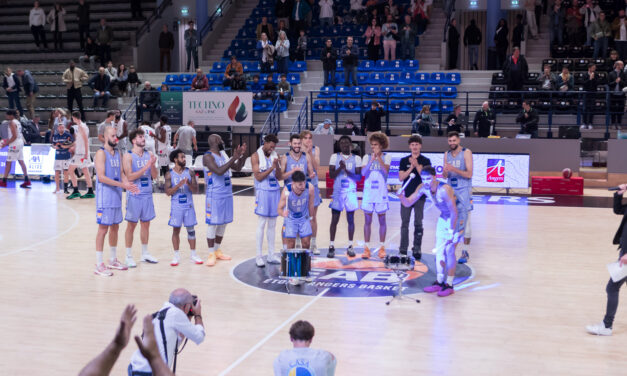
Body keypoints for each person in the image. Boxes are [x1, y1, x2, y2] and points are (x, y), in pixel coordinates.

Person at [399, 166, 462, 297]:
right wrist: (401, 196)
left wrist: (451, 231)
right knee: (439, 251)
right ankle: (439, 282)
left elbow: (454, 211)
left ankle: (449, 284)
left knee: (449, 250)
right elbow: (408, 203)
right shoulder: (423, 187)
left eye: (428, 178)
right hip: (444, 216)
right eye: (424, 178)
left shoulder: (444, 189)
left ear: (435, 177)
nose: (426, 181)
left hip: (458, 217)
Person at [93, 126, 138, 276]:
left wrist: (129, 186)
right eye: (113, 136)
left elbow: (121, 174)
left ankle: (112, 259)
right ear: (105, 137)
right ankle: (99, 264)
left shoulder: (118, 153)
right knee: (103, 229)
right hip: (105, 198)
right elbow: (101, 177)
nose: (115, 138)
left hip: (116, 196)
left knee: (115, 227)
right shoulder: (100, 153)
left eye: (116, 136)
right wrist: (122, 185)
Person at [129, 288, 205, 373]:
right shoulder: (176, 314)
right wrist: (198, 314)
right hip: (149, 372)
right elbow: (199, 337)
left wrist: (188, 317)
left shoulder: (160, 314)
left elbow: (173, 345)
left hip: (135, 367)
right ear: (186, 306)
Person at [586, 183, 627, 336]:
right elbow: (618, 210)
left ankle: (606, 326)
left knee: (612, 288)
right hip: (624, 252)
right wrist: (619, 194)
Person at [203, 134, 247, 266]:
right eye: (221, 140)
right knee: (213, 223)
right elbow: (219, 171)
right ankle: (211, 253)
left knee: (223, 223)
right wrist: (234, 157)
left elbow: (237, 168)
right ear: (216, 141)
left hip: (227, 193)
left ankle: (217, 250)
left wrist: (241, 156)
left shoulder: (223, 155)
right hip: (214, 194)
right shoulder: (208, 156)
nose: (223, 142)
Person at [123, 128, 159, 268]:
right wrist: (146, 166)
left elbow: (155, 176)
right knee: (131, 225)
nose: (143, 139)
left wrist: (153, 165)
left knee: (146, 224)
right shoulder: (128, 156)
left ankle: (144, 253)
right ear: (134, 140)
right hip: (134, 194)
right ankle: (128, 256)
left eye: (143, 137)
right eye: (140, 137)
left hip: (147, 194)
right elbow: (130, 176)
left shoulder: (149, 154)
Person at [251, 134, 283, 267]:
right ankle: (258, 256)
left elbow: (279, 177)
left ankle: (271, 254)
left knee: (273, 224)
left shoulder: (275, 156)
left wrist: (277, 166)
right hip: (263, 191)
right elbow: (258, 177)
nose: (272, 148)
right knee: (262, 223)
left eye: (274, 147)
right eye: (271, 146)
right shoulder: (255, 156)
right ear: (265, 143)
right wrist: (271, 167)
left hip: (274, 191)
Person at [165, 149, 202, 266]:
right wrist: (178, 185)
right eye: (182, 157)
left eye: (184, 157)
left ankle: (193, 255)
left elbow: (196, 190)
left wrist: (188, 184)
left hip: (189, 206)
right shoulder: (169, 174)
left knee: (191, 230)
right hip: (176, 206)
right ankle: (176, 256)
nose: (184, 159)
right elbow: (168, 192)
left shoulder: (190, 172)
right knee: (176, 230)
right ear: (175, 159)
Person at [398, 135, 431, 260]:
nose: (415, 147)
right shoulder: (404, 160)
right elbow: (401, 178)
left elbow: (425, 178)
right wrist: (411, 167)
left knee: (418, 222)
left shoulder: (426, 160)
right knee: (404, 223)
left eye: (417, 144)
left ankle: (417, 247)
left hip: (420, 196)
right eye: (412, 144)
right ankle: (403, 248)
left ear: (420, 146)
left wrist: (417, 165)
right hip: (406, 196)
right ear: (409, 146)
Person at [443, 131, 473, 264]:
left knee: (466, 222)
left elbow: (469, 174)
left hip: (464, 190)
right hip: (451, 191)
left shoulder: (466, 152)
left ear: (458, 141)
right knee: (451, 222)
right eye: (450, 141)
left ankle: (465, 251)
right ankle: (451, 249)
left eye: (454, 141)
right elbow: (445, 176)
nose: (452, 143)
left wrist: (453, 169)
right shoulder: (446, 154)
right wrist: (445, 171)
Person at [360, 132, 391, 259]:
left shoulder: (387, 157)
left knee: (382, 220)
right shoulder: (366, 157)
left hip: (381, 192)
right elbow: (362, 173)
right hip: (368, 192)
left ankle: (382, 247)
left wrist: (378, 158)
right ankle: (366, 247)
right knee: (367, 220)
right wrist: (371, 159)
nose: (373, 147)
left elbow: (386, 172)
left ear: (382, 145)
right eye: (372, 145)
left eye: (376, 145)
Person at [278, 170, 316, 250]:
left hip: (304, 217)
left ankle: (305, 262)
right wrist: (283, 213)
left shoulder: (310, 188)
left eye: (304, 183)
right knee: (291, 244)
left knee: (306, 243)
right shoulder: (286, 190)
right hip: (291, 218)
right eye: (300, 184)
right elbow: (279, 209)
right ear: (293, 183)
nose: (303, 186)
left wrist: (311, 218)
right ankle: (291, 261)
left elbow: (311, 204)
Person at [300, 130, 323, 254]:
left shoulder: (316, 149)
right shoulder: (297, 149)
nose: (308, 140)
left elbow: (317, 167)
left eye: (310, 138)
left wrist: (310, 153)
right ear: (301, 139)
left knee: (312, 217)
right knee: (299, 215)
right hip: (300, 186)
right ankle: (299, 242)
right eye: (305, 138)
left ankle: (313, 244)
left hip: (313, 185)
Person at [66, 111, 95, 199]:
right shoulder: (81, 126)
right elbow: (80, 141)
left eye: (72, 117)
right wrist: (74, 147)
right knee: (85, 170)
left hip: (81, 154)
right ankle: (90, 191)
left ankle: (75, 190)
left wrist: (86, 154)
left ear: (74, 117)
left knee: (70, 169)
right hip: (81, 152)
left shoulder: (82, 127)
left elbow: (86, 141)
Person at [0, 110, 31, 188]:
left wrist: (6, 144)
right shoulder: (17, 121)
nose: (6, 116)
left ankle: (4, 181)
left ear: (11, 115)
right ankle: (27, 180)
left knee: (8, 162)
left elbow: (14, 136)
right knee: (21, 161)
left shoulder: (12, 123)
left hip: (15, 143)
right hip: (20, 142)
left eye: (7, 115)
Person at [51, 121, 73, 194]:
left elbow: (71, 144)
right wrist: (55, 147)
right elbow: (53, 145)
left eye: (63, 127)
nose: (61, 128)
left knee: (65, 172)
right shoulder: (55, 135)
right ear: (58, 128)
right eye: (60, 127)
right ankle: (57, 188)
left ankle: (65, 189)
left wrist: (64, 146)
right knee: (57, 172)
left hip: (66, 156)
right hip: (58, 156)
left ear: (64, 128)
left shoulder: (67, 135)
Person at [608, 60, 626, 129]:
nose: (623, 66)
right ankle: (613, 123)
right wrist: (615, 82)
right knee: (613, 109)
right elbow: (609, 84)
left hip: (621, 94)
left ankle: (619, 123)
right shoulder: (611, 73)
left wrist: (620, 81)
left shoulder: (623, 74)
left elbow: (625, 84)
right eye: (621, 65)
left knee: (620, 109)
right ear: (617, 65)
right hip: (613, 94)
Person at [582, 63, 599, 129]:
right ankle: (584, 123)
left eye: (595, 68)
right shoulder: (585, 74)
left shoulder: (596, 74)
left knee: (592, 109)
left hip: (593, 93)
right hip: (586, 93)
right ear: (589, 68)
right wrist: (589, 79)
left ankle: (590, 123)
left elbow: (597, 83)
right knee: (585, 109)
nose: (594, 69)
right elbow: (583, 83)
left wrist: (593, 78)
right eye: (593, 68)